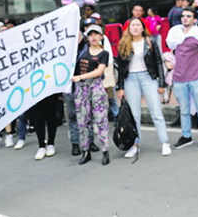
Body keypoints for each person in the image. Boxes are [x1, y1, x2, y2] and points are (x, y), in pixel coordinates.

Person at [116, 18, 171, 158]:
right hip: (131, 80)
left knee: (156, 112)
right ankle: (134, 144)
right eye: (132, 25)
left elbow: (158, 62)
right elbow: (122, 68)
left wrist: (161, 84)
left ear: (142, 28)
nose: (135, 27)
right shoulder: (123, 44)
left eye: (137, 25)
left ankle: (165, 143)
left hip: (148, 78)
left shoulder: (150, 42)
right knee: (134, 115)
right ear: (128, 28)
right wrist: (120, 87)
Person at [165, 7, 198, 149]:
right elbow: (171, 50)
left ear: (194, 19)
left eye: (188, 16)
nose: (185, 18)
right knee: (184, 110)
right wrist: (167, 61)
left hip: (195, 77)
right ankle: (186, 136)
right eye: (183, 16)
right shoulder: (175, 33)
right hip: (179, 78)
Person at [72, 25, 111, 165]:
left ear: (101, 36)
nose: (93, 37)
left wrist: (80, 77)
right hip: (81, 89)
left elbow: (99, 71)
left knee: (101, 120)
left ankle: (105, 151)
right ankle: (85, 151)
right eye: (91, 34)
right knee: (83, 121)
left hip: (96, 88)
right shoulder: (81, 51)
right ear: (87, 37)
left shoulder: (104, 53)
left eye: (96, 34)